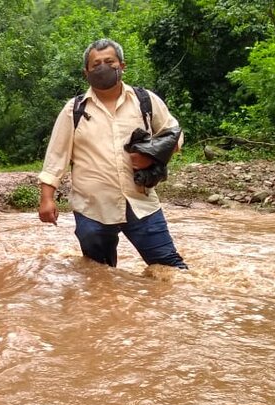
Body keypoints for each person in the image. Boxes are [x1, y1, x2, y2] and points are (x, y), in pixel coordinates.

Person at [37, 39, 188, 270]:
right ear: (85, 72)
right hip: (92, 208)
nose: (103, 67)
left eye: (109, 61)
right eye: (96, 64)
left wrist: (151, 155)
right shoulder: (74, 110)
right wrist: (47, 199)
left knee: (170, 268)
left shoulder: (144, 100)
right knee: (99, 274)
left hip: (141, 202)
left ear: (122, 65)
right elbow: (56, 156)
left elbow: (174, 134)